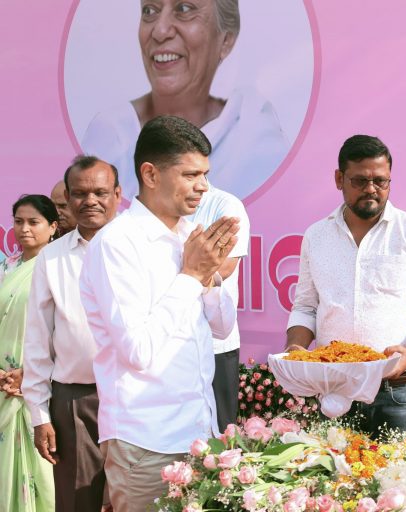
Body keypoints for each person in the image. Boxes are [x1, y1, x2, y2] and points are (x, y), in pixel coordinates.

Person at [79, 115, 239, 512]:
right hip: (146, 442)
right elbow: (138, 351)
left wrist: (211, 279)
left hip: (199, 434)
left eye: (206, 174)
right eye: (191, 174)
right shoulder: (118, 244)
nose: (203, 186)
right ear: (150, 174)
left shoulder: (189, 235)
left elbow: (221, 330)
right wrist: (191, 276)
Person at [286, 134, 406, 439]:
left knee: (397, 481)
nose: (371, 190)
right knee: (333, 480)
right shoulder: (317, 236)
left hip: (395, 389)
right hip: (334, 387)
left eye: (381, 181)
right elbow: (306, 306)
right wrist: (295, 351)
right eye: (360, 181)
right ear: (339, 179)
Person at [81, 0, 288, 201]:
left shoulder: (257, 143)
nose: (160, 31)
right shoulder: (109, 135)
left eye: (184, 8)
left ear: (226, 40)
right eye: (150, 11)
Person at [23, 156, 122, 512]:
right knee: (78, 502)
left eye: (100, 192)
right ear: (67, 197)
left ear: (118, 194)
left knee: (140, 499)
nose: (90, 200)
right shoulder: (50, 258)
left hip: (134, 399)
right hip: (75, 402)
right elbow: (36, 341)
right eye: (79, 193)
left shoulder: (138, 249)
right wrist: (40, 415)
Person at [0, 195, 57, 512]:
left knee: (40, 473)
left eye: (33, 222)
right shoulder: (5, 267)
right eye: (18, 221)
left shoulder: (59, 269)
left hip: (37, 387)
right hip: (2, 385)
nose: (24, 229)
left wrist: (31, 373)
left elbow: (66, 333)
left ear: (52, 227)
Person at [188, 182, 249, 431]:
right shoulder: (155, 215)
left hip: (215, 343)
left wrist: (184, 275)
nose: (198, 182)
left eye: (200, 172)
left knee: (220, 443)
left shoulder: (224, 205)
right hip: (169, 349)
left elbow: (223, 267)